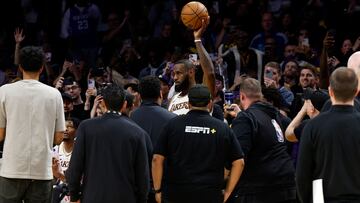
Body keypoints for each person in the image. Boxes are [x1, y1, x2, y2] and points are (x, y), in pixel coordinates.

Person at [152, 84, 245, 203]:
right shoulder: (223, 128)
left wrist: (158, 190)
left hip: (175, 194)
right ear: (210, 103)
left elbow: (156, 159)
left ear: (188, 104)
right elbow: (239, 162)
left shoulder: (172, 125)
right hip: (209, 195)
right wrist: (228, 192)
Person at [0, 46, 66, 202]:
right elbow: (58, 138)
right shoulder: (54, 94)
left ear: (20, 67)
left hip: (12, 169)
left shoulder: (4, 91)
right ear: (42, 68)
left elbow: (0, 135)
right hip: (41, 170)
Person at [66, 83, 149, 203]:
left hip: (92, 197)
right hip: (125, 197)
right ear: (124, 104)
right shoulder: (137, 131)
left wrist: (74, 196)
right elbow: (142, 175)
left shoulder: (86, 126)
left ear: (102, 103)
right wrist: (142, 199)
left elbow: (75, 167)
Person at [296, 67, 360, 202]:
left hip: (324, 199)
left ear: (330, 91)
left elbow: (302, 175)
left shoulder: (313, 126)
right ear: (356, 91)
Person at [230, 78, 296, 203]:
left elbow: (238, 157)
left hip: (261, 187)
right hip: (287, 182)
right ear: (260, 95)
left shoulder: (246, 118)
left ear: (242, 96)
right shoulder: (274, 114)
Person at [130, 76, 176, 203]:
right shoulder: (173, 119)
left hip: (135, 186)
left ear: (139, 96)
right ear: (160, 94)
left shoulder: (128, 119)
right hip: (163, 186)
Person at [168, 17, 215, 115]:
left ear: (191, 72)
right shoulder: (173, 98)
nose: (175, 78)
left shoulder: (202, 92)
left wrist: (197, 40)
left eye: (178, 73)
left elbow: (210, 73)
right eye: (173, 74)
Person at [52, 117, 81, 203]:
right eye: (63, 126)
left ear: (77, 131)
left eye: (69, 126)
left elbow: (79, 181)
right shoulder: (55, 150)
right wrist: (54, 175)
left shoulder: (81, 152)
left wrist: (59, 175)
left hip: (76, 193)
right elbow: (52, 180)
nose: (65, 129)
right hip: (59, 192)